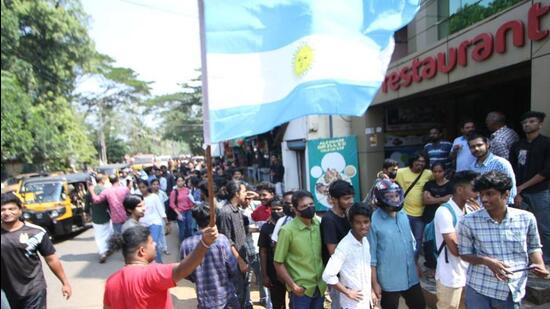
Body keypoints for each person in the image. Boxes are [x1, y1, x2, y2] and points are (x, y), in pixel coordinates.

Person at [458, 171, 548, 308]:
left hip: (512, 289)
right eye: (481, 194)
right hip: (480, 288)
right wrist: (486, 261)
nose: (484, 199)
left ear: (506, 194)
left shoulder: (526, 218)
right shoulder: (468, 221)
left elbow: (534, 247)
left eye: (489, 193)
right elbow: (464, 254)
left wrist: (539, 264)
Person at [103, 224, 218, 309]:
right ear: (142, 251)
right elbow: (183, 268)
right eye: (151, 242)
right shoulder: (151, 273)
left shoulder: (111, 281)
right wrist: (204, 243)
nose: (155, 244)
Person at [1, 192, 72, 308]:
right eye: (2, 209)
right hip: (6, 293)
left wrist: (65, 283)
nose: (7, 213)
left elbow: (52, 259)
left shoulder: (36, 232)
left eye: (11, 209)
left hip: (33, 289)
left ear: (20, 210)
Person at [368, 179, 426, 309]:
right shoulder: (373, 221)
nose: (394, 199)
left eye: (396, 195)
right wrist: (374, 283)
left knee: (419, 305)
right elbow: (371, 258)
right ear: (380, 198)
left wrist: (415, 265)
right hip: (389, 280)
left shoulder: (403, 215)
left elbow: (410, 244)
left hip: (410, 275)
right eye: (389, 196)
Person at [510, 111, 550, 268]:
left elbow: (546, 171)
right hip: (520, 193)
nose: (527, 124)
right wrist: (517, 191)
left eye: (532, 121)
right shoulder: (517, 145)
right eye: (525, 122)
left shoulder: (546, 143)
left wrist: (522, 187)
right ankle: (526, 258)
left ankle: (545, 260)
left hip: (540, 191)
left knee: (545, 227)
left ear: (540, 124)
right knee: (520, 227)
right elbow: (512, 170)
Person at [433, 171, 479, 309]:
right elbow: (455, 249)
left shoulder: (471, 210)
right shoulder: (444, 212)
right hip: (450, 277)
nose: (478, 193)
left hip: (468, 274)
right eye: (474, 189)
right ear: (460, 189)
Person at [274, 190, 326, 309]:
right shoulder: (287, 231)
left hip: (320, 286)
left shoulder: (319, 224)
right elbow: (278, 262)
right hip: (301, 290)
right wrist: (293, 286)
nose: (309, 208)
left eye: (311, 204)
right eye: (304, 206)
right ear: (296, 210)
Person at [180, 206, 240, 309]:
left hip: (205, 300)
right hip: (226, 297)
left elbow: (185, 272)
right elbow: (233, 268)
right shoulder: (221, 240)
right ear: (214, 218)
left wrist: (198, 277)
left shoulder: (186, 244)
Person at [323, 203, 375, 309]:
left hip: (365, 302)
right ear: (351, 223)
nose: (363, 226)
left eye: (366, 222)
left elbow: (365, 271)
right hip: (351, 305)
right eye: (358, 223)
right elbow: (328, 275)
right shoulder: (345, 246)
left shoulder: (365, 241)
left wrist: (371, 291)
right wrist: (347, 292)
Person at [320, 180, 355, 309]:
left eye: (352, 197)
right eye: (346, 198)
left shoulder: (347, 214)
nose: (351, 201)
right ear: (334, 200)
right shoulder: (329, 219)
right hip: (339, 276)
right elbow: (333, 252)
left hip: (350, 273)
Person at [217, 181, 251, 309]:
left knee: (244, 293)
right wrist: (240, 261)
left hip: (242, 257)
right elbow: (227, 241)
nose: (245, 195)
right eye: (243, 192)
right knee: (237, 295)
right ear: (237, 194)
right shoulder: (226, 212)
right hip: (234, 262)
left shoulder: (237, 210)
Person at [396, 152, 433, 257]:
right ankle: (405, 260)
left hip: (421, 214)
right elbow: (386, 175)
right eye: (418, 161)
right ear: (412, 161)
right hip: (404, 213)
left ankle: (414, 263)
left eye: (423, 161)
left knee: (418, 240)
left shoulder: (428, 174)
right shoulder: (401, 172)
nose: (420, 163)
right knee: (404, 239)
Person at [468, 133, 517, 205]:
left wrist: (505, 207)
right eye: (472, 147)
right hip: (479, 211)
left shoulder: (500, 163)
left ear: (487, 145)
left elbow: (511, 188)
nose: (476, 149)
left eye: (479, 145)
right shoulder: (472, 167)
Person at [258, 199, 287, 309]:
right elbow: (263, 252)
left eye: (279, 209)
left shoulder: (290, 226)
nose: (276, 212)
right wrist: (265, 275)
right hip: (273, 273)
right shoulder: (266, 228)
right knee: (278, 304)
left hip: (291, 271)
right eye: (273, 209)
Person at [138, 180, 167, 263]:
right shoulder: (138, 198)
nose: (141, 189)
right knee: (146, 246)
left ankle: (159, 265)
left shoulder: (154, 197)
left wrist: (167, 222)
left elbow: (161, 210)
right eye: (140, 187)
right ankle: (153, 265)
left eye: (143, 187)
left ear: (147, 187)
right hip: (142, 224)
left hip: (155, 223)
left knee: (153, 244)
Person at [87, 174, 113, 263]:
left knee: (99, 235)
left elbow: (87, 203)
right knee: (107, 233)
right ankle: (106, 249)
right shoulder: (105, 190)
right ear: (102, 180)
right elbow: (110, 203)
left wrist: (86, 212)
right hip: (105, 215)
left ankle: (103, 252)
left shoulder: (91, 190)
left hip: (96, 216)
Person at [170, 176, 194, 243]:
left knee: (189, 228)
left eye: (181, 181)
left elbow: (190, 200)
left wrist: (192, 208)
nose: (180, 182)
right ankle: (183, 245)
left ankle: (190, 244)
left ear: (184, 181)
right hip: (180, 212)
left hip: (188, 211)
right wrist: (178, 214)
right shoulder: (174, 192)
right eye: (178, 181)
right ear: (176, 182)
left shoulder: (187, 190)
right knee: (182, 230)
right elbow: (171, 204)